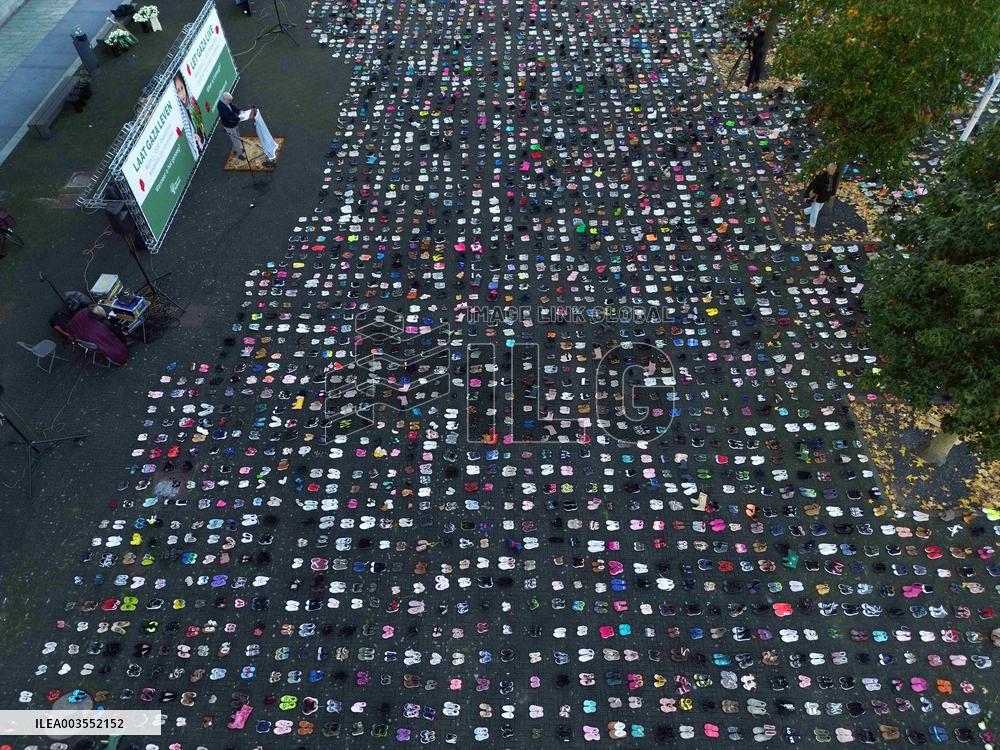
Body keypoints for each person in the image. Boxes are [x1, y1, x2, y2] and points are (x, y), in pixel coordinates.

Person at [173, 71, 206, 156]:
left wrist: (199, 135)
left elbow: (200, 123)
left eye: (182, 88)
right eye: (178, 91)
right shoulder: (179, 114)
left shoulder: (191, 102)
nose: (182, 93)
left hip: (203, 143)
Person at [803, 162, 840, 234]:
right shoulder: (821, 175)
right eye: (830, 169)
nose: (832, 171)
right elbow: (812, 185)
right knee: (815, 212)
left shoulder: (836, 175)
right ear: (827, 168)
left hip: (826, 195)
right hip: (817, 196)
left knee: (818, 209)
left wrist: (832, 193)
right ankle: (812, 226)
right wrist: (806, 195)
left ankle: (804, 211)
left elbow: (833, 185)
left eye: (833, 169)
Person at [217, 92, 256, 161]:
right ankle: (239, 154)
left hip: (233, 123)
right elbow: (227, 118)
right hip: (229, 125)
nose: (230, 102)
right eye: (229, 101)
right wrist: (238, 119)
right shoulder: (220, 106)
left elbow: (232, 107)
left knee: (236, 136)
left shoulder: (227, 102)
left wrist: (239, 111)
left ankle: (235, 150)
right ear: (225, 99)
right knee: (236, 139)